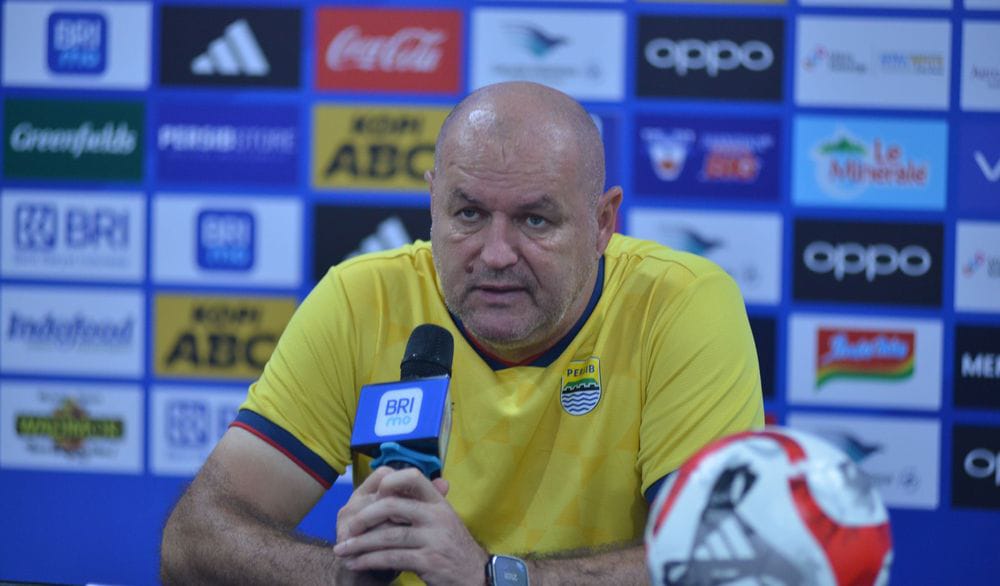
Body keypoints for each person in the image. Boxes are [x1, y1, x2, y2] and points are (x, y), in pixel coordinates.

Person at [160, 81, 764, 585]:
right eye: (469, 213)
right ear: (433, 203)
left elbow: (718, 563)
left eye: (535, 220)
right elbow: (195, 539)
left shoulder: (678, 304)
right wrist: (340, 576)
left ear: (602, 223)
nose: (496, 254)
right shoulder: (362, 299)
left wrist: (492, 577)